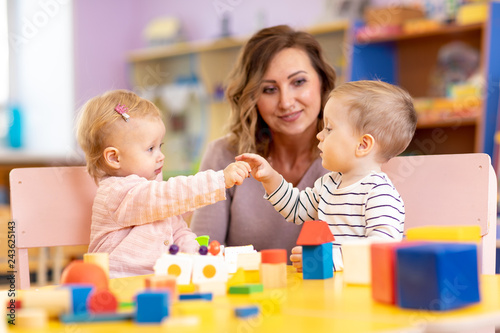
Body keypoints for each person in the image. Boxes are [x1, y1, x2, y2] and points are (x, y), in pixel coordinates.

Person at [237, 80, 417, 271]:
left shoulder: (379, 194)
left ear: (363, 145)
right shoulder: (328, 184)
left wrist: (327, 259)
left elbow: (383, 249)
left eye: (329, 129)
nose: (319, 135)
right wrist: (270, 178)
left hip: (362, 293)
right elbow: (296, 208)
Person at [190, 25, 336, 260]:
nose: (286, 102)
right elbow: (200, 254)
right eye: (269, 89)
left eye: (298, 82)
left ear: (322, 82)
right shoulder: (223, 155)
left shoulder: (352, 158)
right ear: (252, 97)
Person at [76, 89, 250, 278]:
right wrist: (219, 180)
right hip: (118, 283)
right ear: (114, 158)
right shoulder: (116, 193)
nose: (161, 156)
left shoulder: (154, 193)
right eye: (150, 149)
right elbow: (170, 194)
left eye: (161, 146)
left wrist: (199, 256)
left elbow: (178, 230)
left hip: (158, 280)